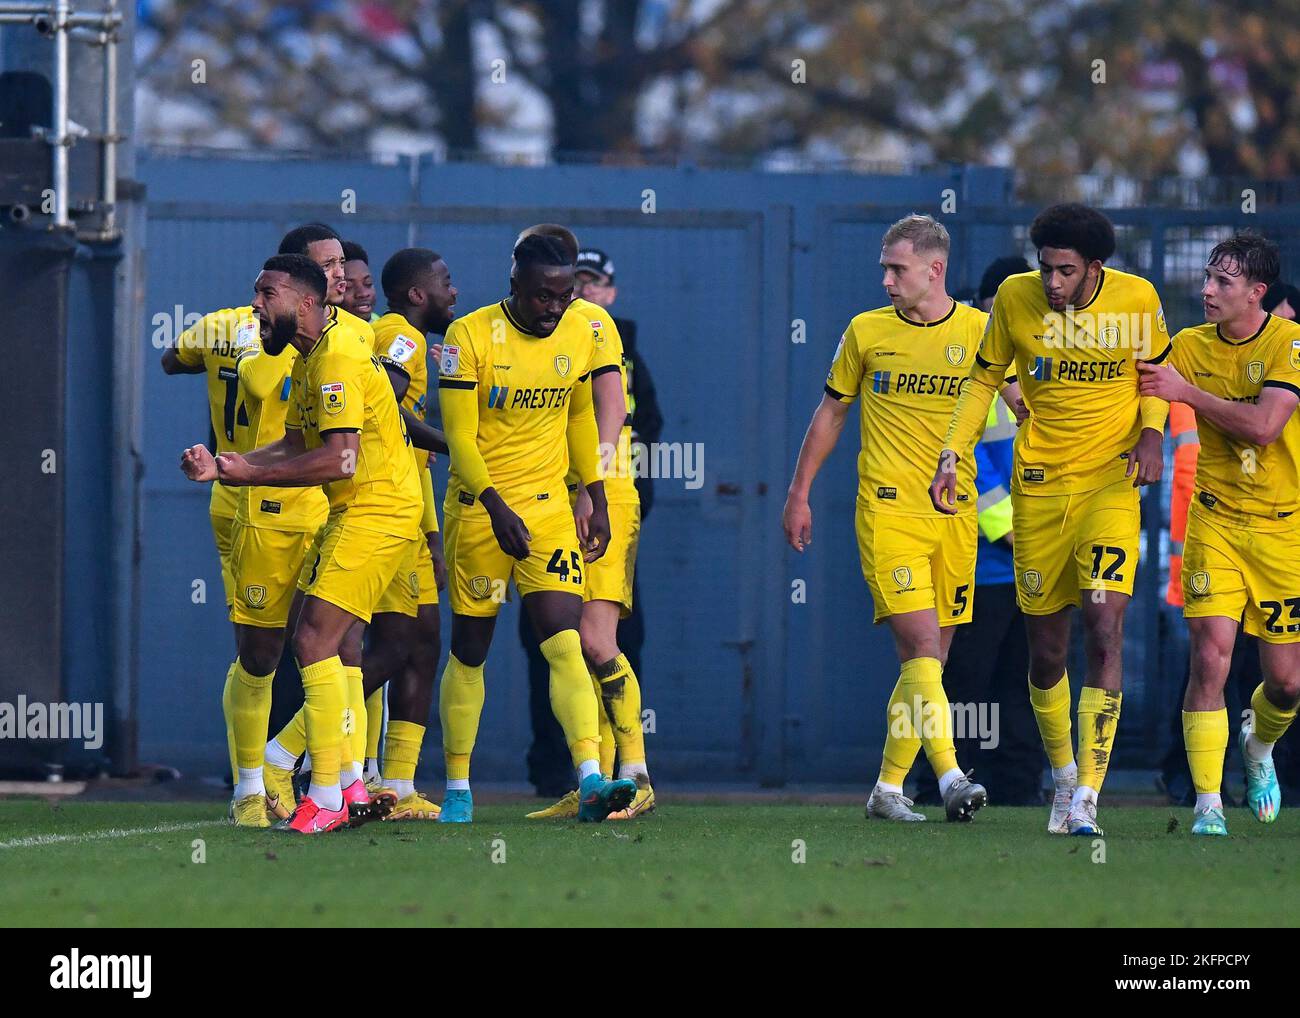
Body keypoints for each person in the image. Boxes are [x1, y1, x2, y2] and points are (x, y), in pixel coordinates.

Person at [931, 203, 1170, 836]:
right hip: (1038, 493)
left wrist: (1151, 439)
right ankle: (1062, 775)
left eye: (1065, 271)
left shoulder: (1137, 298)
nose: (1053, 284)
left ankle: (1089, 791)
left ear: (1096, 267)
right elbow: (982, 382)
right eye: (1046, 270)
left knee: (1105, 620)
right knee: (1046, 654)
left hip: (1110, 487)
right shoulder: (1014, 298)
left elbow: (1155, 380)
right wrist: (952, 451)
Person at [182, 253, 425, 834]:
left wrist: (250, 477)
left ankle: (321, 791)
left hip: (377, 510)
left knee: (315, 639)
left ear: (307, 302)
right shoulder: (311, 356)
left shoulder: (337, 354)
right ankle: (343, 784)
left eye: (268, 294)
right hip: (361, 510)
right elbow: (294, 443)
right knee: (335, 647)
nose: (257, 306)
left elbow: (341, 458)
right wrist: (225, 465)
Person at [784, 214, 996, 824]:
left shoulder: (982, 334)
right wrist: (799, 493)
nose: (885, 279)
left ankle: (886, 788)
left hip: (955, 516)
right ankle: (953, 775)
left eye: (896, 268)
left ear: (935, 269)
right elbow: (830, 414)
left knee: (926, 662)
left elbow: (1020, 406)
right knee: (924, 645)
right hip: (887, 510)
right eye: (884, 267)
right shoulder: (865, 331)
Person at [434, 233, 636, 823]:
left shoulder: (581, 327)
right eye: (543, 296)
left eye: (564, 295)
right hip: (479, 510)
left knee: (564, 638)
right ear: (515, 284)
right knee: (471, 650)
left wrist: (594, 493)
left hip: (548, 509)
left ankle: (592, 777)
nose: (555, 308)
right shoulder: (467, 337)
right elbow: (460, 439)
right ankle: (458, 787)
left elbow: (579, 413)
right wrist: (495, 506)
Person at [1138, 231, 1300, 835]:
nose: (1207, 291)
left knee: (1285, 683)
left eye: (1223, 283)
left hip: (1283, 531)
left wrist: (1188, 394)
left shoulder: (1290, 343)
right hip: (1215, 521)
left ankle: (1258, 746)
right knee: (1209, 660)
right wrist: (1152, 430)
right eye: (1207, 278)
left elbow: (1263, 427)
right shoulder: (1188, 343)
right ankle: (1209, 804)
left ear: (1257, 292)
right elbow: (1153, 389)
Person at [912, 257, 1041, 807]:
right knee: (961, 677)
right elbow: (966, 459)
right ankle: (941, 779)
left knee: (1027, 677)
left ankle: (1016, 786)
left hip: (1032, 555)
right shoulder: (974, 367)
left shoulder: (1032, 364)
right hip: (986, 555)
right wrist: (1010, 528)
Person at [363, 247, 457, 819]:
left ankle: (397, 784)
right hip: (384, 504)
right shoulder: (402, 336)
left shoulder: (400, 335)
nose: (456, 292)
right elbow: (386, 410)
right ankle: (294, 753)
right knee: (395, 646)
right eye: (446, 282)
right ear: (418, 294)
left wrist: (432, 533)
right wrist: (456, 444)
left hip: (409, 502)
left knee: (420, 645)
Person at [341, 240, 378, 322]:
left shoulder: (383, 329)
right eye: (348, 287)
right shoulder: (323, 332)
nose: (363, 293)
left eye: (368, 283)